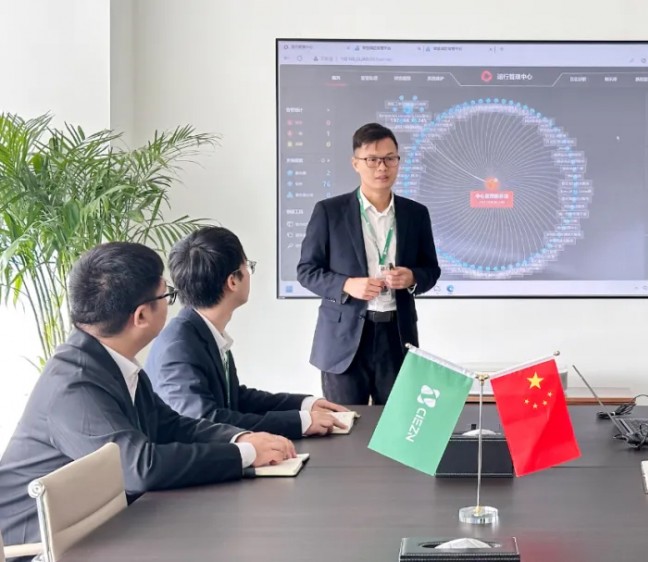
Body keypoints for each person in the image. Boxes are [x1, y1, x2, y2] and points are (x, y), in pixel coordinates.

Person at [0, 243, 294, 547]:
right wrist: (244, 455)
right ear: (141, 316)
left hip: (101, 529)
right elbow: (139, 468)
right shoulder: (74, 384)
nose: (171, 303)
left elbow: (170, 425)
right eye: (167, 295)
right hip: (38, 548)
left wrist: (239, 439)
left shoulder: (108, 361)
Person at [147, 227, 350, 440]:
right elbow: (207, 421)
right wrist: (300, 423)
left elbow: (236, 399)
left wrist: (305, 405)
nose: (249, 274)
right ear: (233, 281)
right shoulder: (179, 347)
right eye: (247, 267)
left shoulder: (200, 330)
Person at [298, 123, 440, 405]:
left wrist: (412, 277)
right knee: (346, 423)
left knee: (397, 422)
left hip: (396, 336)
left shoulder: (416, 214)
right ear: (356, 163)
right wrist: (347, 284)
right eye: (372, 159)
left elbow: (431, 270)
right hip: (344, 341)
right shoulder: (329, 212)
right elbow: (307, 271)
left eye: (390, 158)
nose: (382, 167)